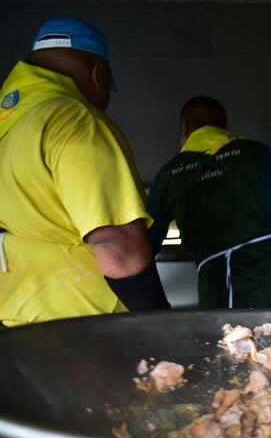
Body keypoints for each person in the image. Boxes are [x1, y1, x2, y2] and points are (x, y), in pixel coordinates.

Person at [0, 17, 169, 329]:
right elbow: (116, 245)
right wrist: (166, 330)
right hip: (90, 328)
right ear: (97, 74)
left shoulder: (9, 127)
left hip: (19, 321)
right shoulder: (72, 119)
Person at [148, 96, 271, 308]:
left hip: (217, 296)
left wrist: (154, 308)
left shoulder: (170, 175)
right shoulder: (255, 153)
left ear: (185, 127)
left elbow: (143, 247)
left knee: (226, 341)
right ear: (224, 126)